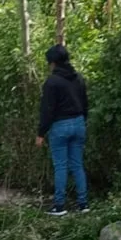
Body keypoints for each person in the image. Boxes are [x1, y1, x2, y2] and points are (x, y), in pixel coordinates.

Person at [36, 44, 89, 216]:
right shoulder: (79, 78)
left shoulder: (52, 82)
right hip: (79, 122)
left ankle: (59, 206)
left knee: (60, 166)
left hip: (60, 126)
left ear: (53, 63)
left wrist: (41, 133)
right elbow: (85, 104)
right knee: (77, 165)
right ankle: (83, 204)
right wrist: (81, 122)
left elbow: (47, 109)